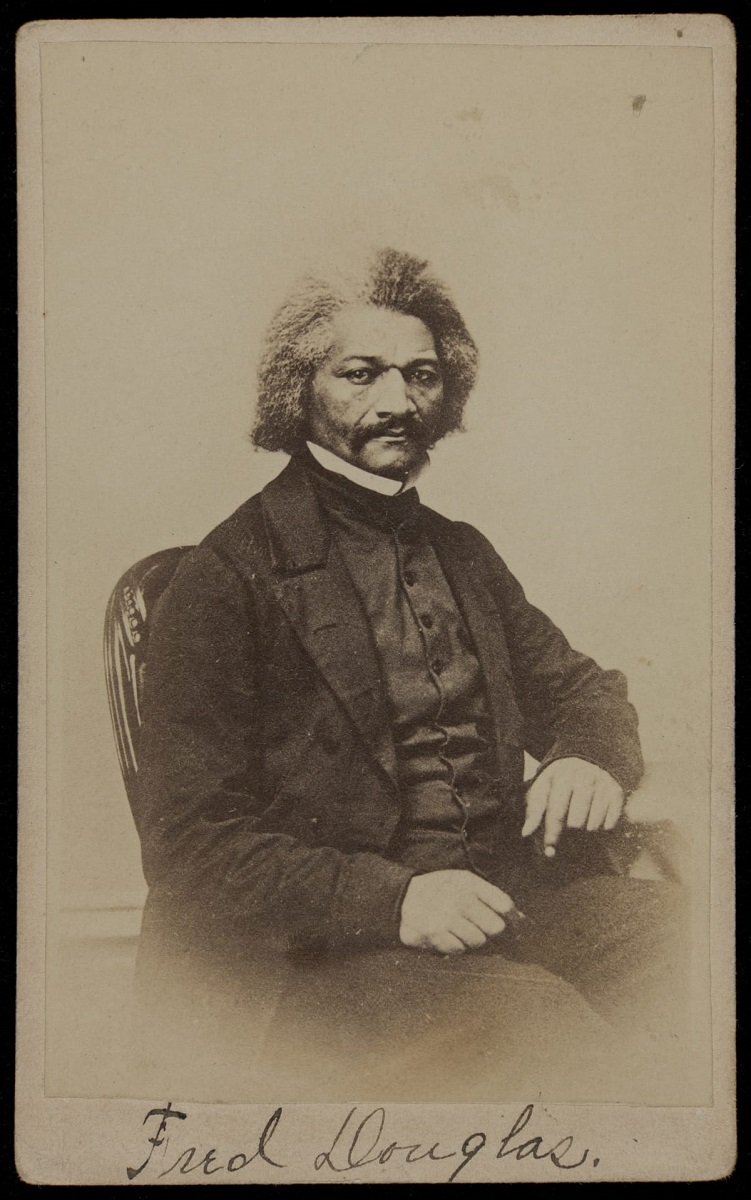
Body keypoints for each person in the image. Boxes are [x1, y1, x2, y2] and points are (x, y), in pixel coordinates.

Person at [132, 248, 687, 1101]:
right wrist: (393, 902)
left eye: (421, 376)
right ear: (298, 390)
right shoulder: (226, 576)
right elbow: (192, 847)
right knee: (545, 1038)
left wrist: (587, 756)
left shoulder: (462, 553)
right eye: (361, 374)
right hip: (323, 952)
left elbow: (584, 689)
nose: (398, 402)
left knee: (690, 947)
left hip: (503, 900)